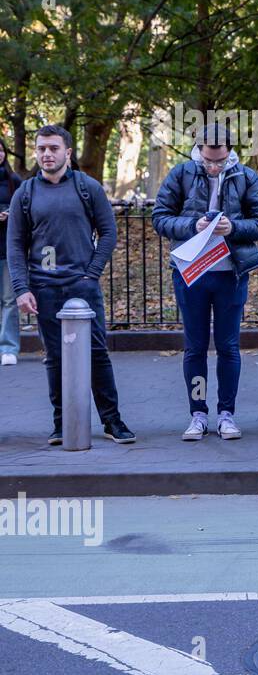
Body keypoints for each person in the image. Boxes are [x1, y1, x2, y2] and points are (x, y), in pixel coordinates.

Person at [6, 125, 134, 445]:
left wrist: (91, 273)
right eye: (41, 149)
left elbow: (108, 233)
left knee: (96, 353)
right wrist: (22, 288)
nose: (46, 154)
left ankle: (111, 420)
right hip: (44, 289)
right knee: (55, 357)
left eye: (53, 148)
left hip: (82, 287)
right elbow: (16, 244)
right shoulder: (26, 192)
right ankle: (62, 424)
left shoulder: (87, 187)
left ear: (68, 152)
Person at [152, 123, 258, 441]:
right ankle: (198, 413)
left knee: (229, 346)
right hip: (191, 273)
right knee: (195, 348)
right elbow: (160, 218)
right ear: (199, 151)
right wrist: (194, 224)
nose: (214, 166)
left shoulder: (246, 177)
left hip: (230, 273)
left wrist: (233, 227)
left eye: (220, 160)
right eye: (208, 160)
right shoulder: (181, 174)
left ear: (230, 151)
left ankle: (227, 414)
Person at [0, 137, 23, 366]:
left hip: (7, 249)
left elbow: (22, 209)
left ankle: (8, 347)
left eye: (1, 150)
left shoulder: (13, 180)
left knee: (9, 300)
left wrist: (9, 214)